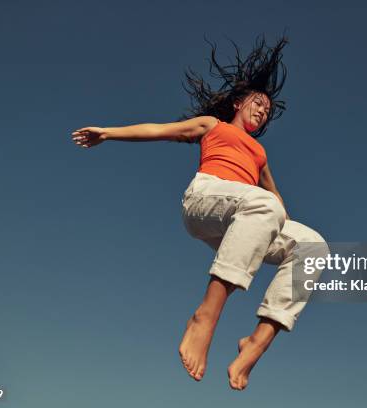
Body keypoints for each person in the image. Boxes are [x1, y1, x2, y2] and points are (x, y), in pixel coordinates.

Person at [71, 35, 329, 391]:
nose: (262, 111)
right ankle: (205, 316)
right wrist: (107, 133)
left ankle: (259, 340)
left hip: (245, 222)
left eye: (267, 111)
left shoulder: (260, 154)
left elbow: (276, 201)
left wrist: (278, 225)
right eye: (258, 103)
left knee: (314, 246)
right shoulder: (213, 126)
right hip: (205, 201)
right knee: (264, 204)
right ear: (239, 102)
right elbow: (158, 130)